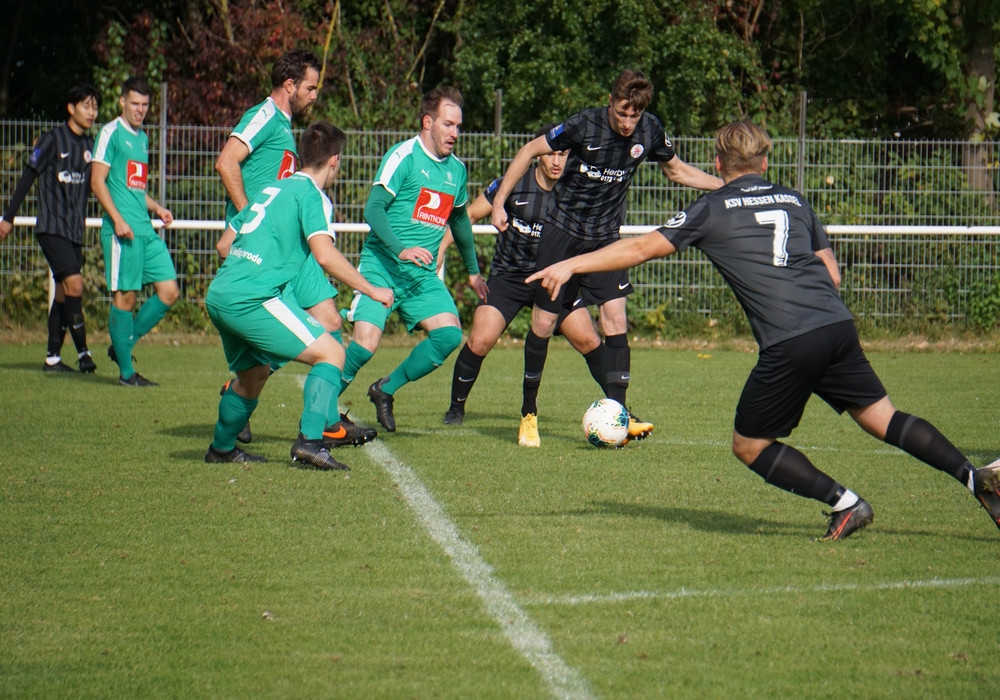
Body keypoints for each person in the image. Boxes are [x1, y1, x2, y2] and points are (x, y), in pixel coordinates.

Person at [527, 120, 1000, 540]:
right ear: (764, 160)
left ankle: (847, 504)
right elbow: (832, 274)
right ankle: (974, 478)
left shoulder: (712, 207)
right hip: (835, 325)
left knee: (749, 445)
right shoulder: (794, 199)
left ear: (717, 162)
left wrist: (571, 265)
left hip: (791, 339)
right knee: (886, 419)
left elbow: (641, 248)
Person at [491, 68, 723, 446]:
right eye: (622, 113)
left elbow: (677, 171)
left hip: (605, 239)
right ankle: (529, 415)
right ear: (611, 102)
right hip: (562, 233)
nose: (628, 122)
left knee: (615, 317)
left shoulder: (650, 130)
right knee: (543, 324)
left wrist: (729, 187)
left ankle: (620, 414)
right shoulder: (584, 125)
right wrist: (500, 201)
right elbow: (530, 149)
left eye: (635, 115)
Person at [205, 122, 394, 468]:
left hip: (220, 293)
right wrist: (371, 289)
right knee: (332, 353)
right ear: (334, 160)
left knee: (253, 376)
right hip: (251, 298)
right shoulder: (312, 197)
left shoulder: (269, 190)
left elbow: (222, 246)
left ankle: (221, 449)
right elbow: (323, 254)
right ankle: (310, 442)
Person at [214, 49, 372, 448]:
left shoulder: (285, 129)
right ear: (290, 86)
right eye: (310, 87)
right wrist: (251, 220)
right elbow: (226, 162)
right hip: (268, 247)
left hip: (291, 247)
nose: (314, 95)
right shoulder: (264, 116)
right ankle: (309, 421)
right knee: (326, 330)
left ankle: (320, 414)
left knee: (330, 324)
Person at [437, 124, 607, 446]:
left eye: (564, 154)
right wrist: (442, 248)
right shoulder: (514, 185)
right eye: (552, 153)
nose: (557, 161)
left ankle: (619, 404)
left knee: (588, 340)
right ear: (539, 155)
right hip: (510, 277)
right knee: (480, 339)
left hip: (554, 278)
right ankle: (456, 408)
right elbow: (467, 216)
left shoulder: (575, 192)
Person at [340, 86, 488, 432]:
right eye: (448, 125)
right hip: (383, 266)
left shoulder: (456, 171)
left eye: (458, 127)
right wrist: (400, 248)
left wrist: (473, 271)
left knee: (449, 335)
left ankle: (384, 389)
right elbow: (373, 209)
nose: (455, 133)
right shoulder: (403, 156)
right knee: (365, 344)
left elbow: (461, 222)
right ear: (427, 122)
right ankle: (316, 413)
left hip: (420, 277)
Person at [0, 83, 101, 373]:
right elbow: (27, 177)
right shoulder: (52, 140)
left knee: (62, 293)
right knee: (76, 284)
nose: (91, 112)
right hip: (51, 228)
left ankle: (53, 359)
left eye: (94, 107)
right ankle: (84, 354)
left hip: (74, 231)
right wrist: (9, 217)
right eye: (86, 106)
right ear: (71, 108)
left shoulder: (89, 146)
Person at [90, 76, 178, 386]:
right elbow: (97, 181)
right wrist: (117, 219)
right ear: (122, 102)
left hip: (144, 229)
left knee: (169, 291)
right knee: (125, 299)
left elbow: (134, 188)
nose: (140, 110)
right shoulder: (110, 133)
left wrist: (156, 208)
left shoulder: (142, 138)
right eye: (135, 104)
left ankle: (123, 344)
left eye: (145, 105)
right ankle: (127, 373)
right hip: (122, 231)